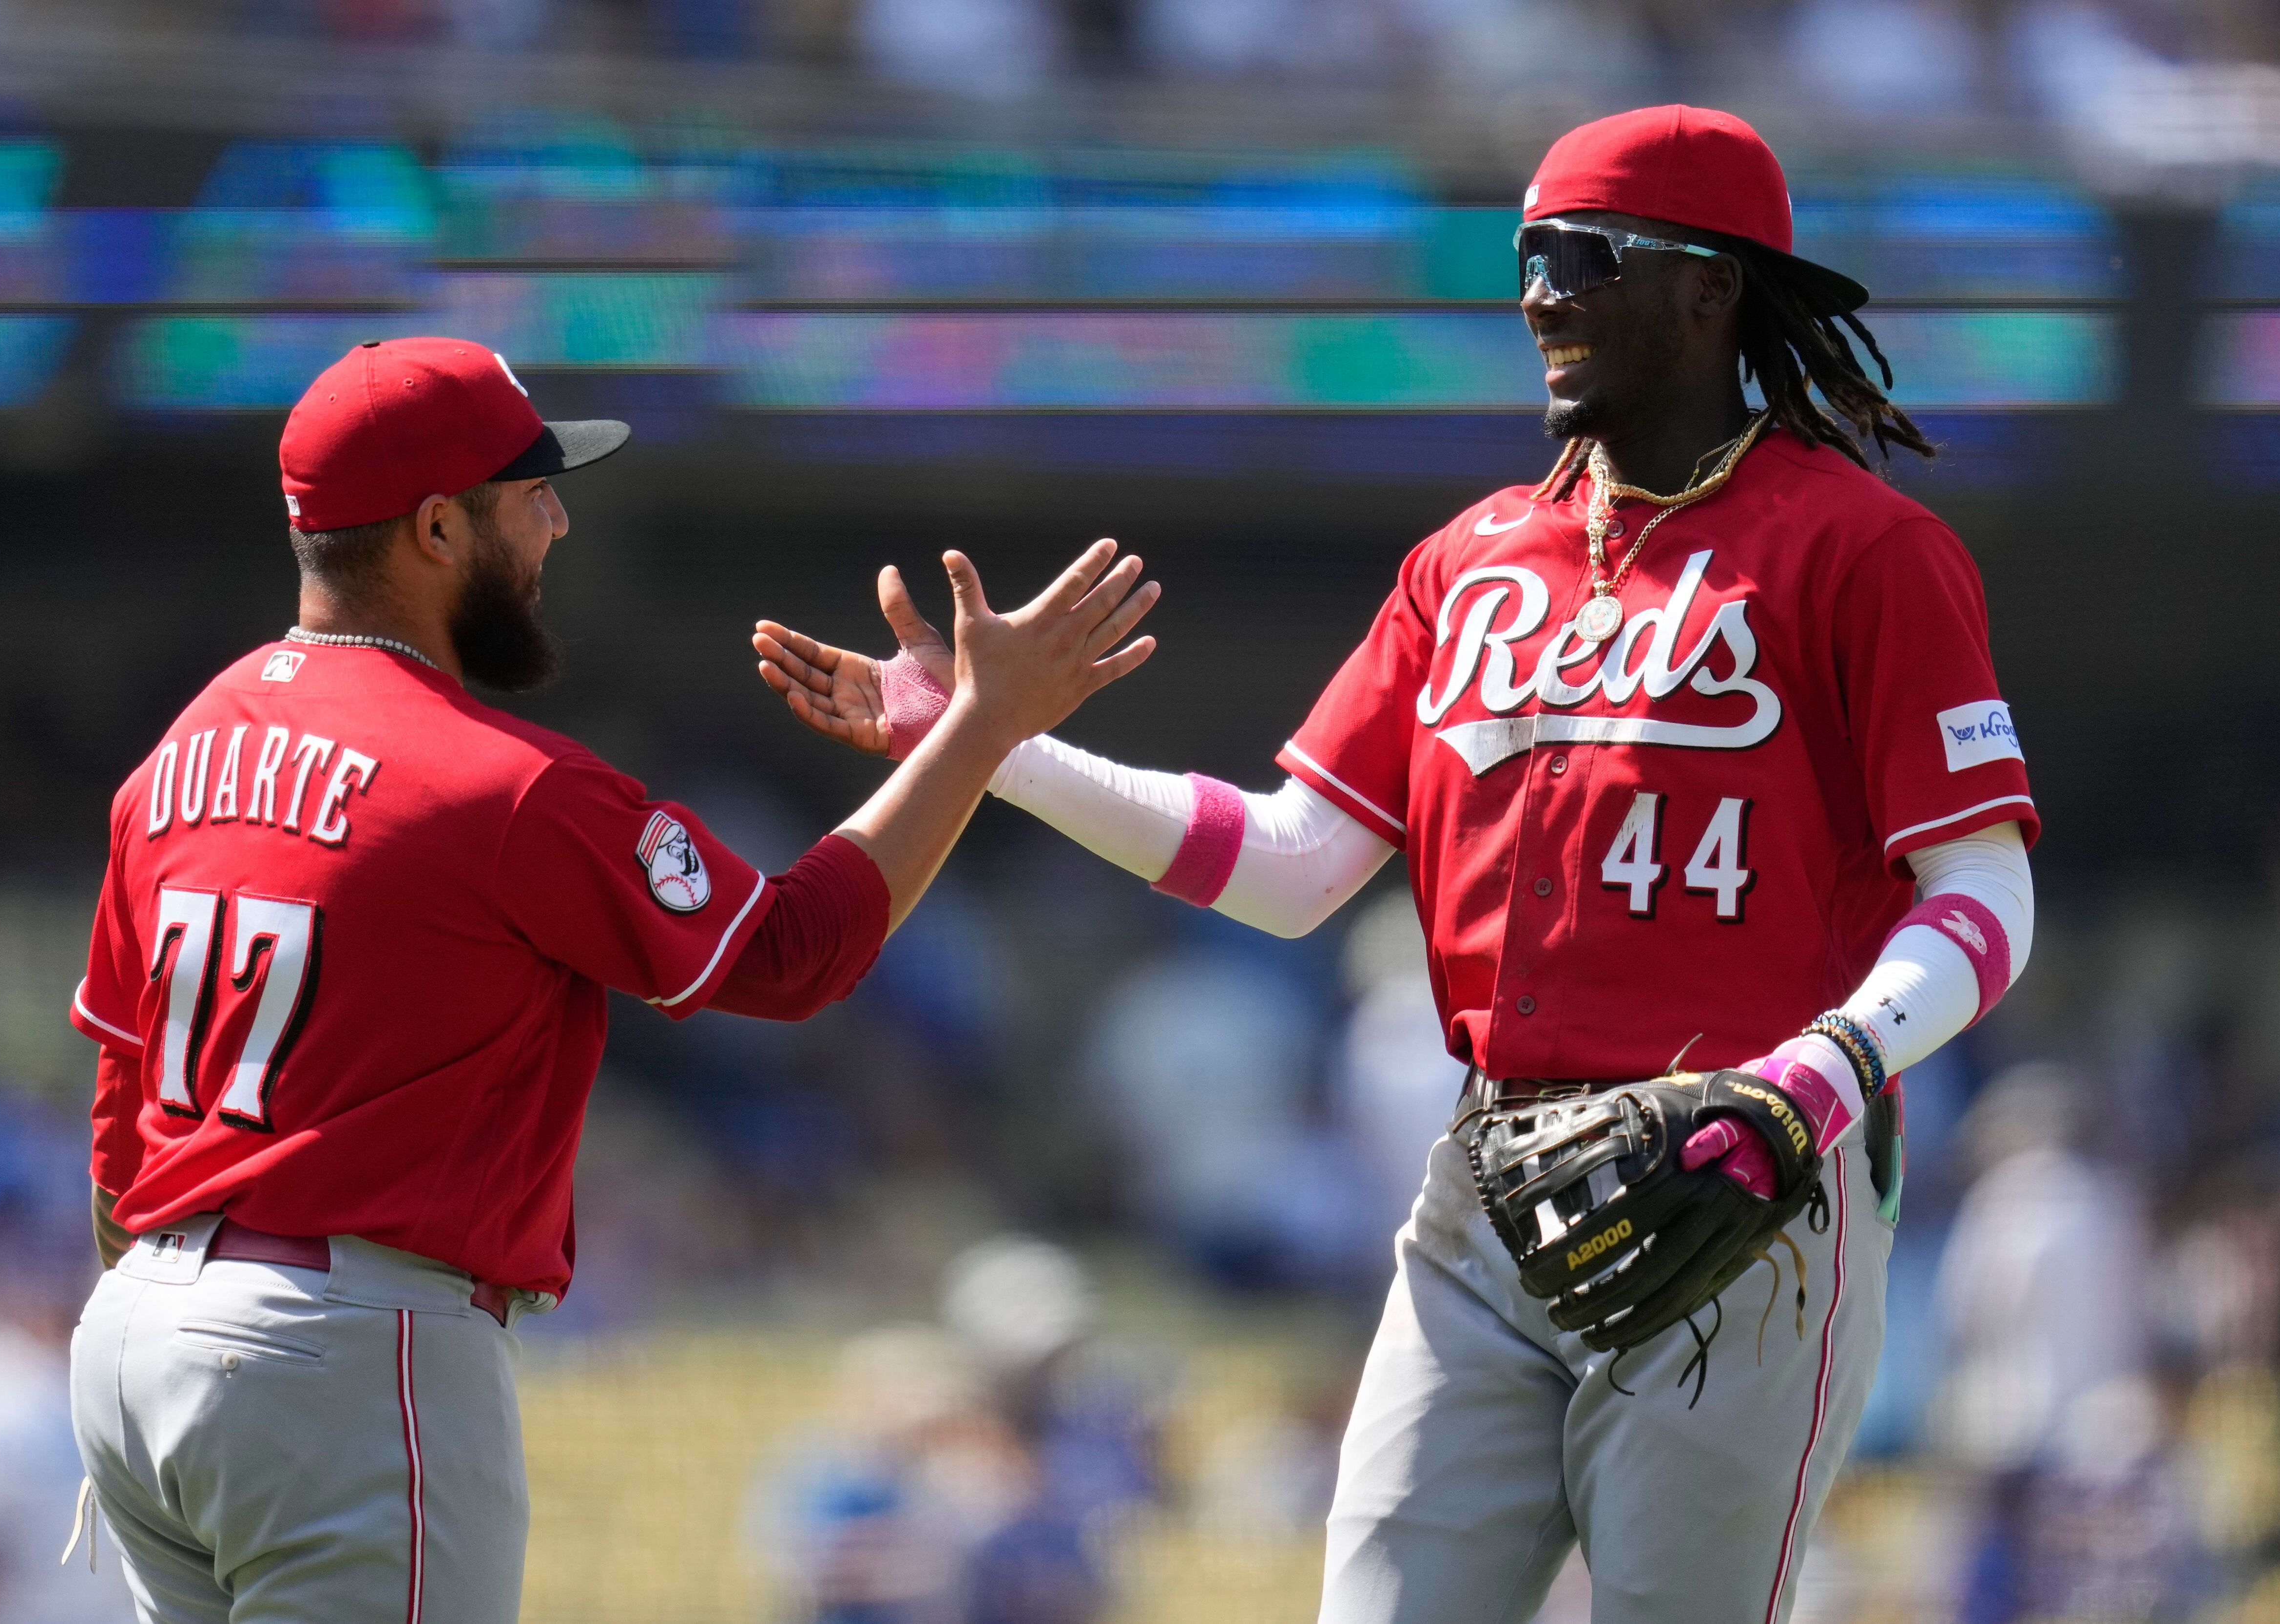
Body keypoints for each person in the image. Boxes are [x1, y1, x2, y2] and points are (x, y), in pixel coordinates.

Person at [752, 107, 2040, 1623]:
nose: (1541, 294)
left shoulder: (1865, 551)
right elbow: (1292, 865)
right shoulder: (1468, 560)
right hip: (1490, 1186)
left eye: (1584, 255)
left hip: (1745, 1184)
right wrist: (986, 748)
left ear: (1714, 290)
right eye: (1527, 260)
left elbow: (1986, 898)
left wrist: (1812, 1084)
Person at [64, 335, 1159, 1624]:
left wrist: (171, 1321)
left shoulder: (183, 755)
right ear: (433, 529)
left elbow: (119, 1110)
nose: (560, 521)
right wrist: (984, 726)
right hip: (339, 1348)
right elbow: (793, 955)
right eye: (532, 494)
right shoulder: (502, 784)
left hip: (139, 1336)